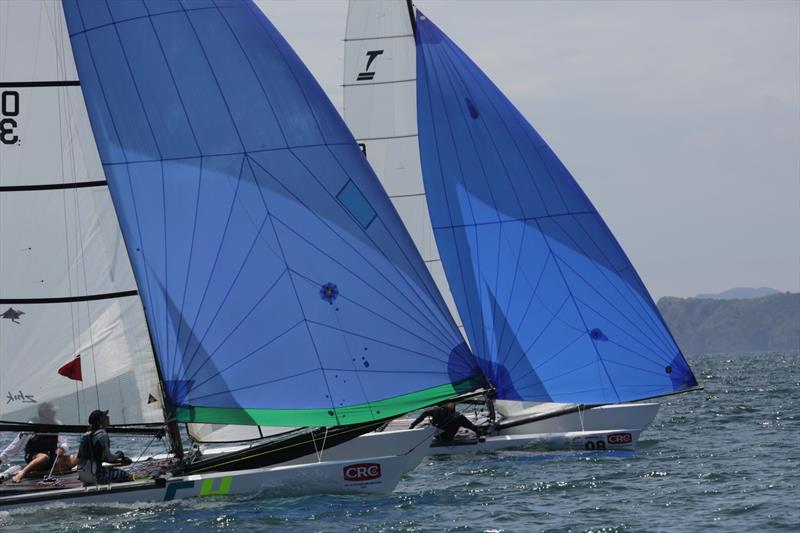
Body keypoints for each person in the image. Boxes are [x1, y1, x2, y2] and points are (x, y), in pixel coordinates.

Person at [0, 402, 78, 483]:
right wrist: (2, 457)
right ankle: (22, 473)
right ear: (44, 413)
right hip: (34, 456)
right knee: (43, 457)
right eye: (52, 411)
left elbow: (64, 442)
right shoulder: (32, 425)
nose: (54, 413)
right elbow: (17, 444)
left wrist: (62, 448)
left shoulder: (57, 424)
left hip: (51, 456)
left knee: (75, 458)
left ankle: (44, 473)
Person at [77, 410, 131, 485]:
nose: (108, 417)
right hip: (95, 475)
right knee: (125, 475)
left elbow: (97, 457)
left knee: (110, 471)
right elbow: (109, 458)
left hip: (83, 476)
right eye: (105, 416)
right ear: (100, 420)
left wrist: (117, 461)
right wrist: (119, 454)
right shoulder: (102, 434)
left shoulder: (86, 434)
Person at [409, 402, 484, 442]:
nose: (452, 407)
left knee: (458, 418)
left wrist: (412, 425)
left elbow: (424, 414)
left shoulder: (433, 410)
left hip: (438, 436)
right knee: (460, 417)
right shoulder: (446, 411)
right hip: (446, 437)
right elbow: (452, 417)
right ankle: (478, 431)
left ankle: (476, 429)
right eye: (451, 405)